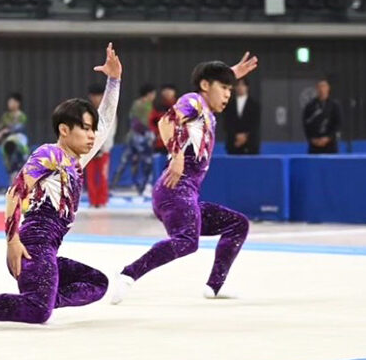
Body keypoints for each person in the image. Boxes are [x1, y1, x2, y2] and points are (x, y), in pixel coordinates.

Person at [0, 45, 122, 330]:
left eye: (92, 129)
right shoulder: (50, 154)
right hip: (31, 247)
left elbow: (107, 118)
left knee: (96, 283)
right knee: (38, 312)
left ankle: (42, 295)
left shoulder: (75, 160)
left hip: (48, 250)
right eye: (85, 128)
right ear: (64, 130)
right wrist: (12, 241)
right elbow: (15, 193)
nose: (92, 135)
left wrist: (114, 80)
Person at [111, 53, 259, 304]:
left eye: (230, 90)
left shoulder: (206, 110)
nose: (227, 95)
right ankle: (128, 274)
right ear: (204, 85)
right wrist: (177, 153)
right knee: (187, 241)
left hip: (185, 193)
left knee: (237, 224)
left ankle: (215, 285)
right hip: (174, 190)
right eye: (223, 88)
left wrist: (229, 74)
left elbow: (213, 82)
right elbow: (166, 122)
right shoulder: (195, 101)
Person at [113, 83, 155, 194]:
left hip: (142, 137)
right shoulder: (140, 104)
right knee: (130, 161)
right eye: (153, 93)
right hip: (137, 138)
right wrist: (146, 132)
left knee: (136, 162)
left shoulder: (149, 105)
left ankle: (140, 186)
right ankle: (115, 184)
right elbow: (136, 121)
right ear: (149, 94)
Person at [84, 82, 114, 207]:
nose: (96, 98)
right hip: (89, 149)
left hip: (104, 149)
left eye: (98, 96)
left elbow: (111, 130)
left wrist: (103, 146)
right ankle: (93, 201)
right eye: (93, 96)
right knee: (90, 177)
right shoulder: (86, 111)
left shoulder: (109, 110)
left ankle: (102, 201)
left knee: (103, 176)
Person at [302, 77, 341, 155]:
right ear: (317, 89)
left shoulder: (334, 105)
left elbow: (338, 124)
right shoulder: (310, 106)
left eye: (324, 86)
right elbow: (306, 124)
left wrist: (328, 138)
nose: (322, 89)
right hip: (314, 146)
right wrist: (312, 139)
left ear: (328, 88)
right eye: (320, 87)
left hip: (330, 146)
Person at [221, 78, 260, 155]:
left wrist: (245, 137)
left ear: (247, 87)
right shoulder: (229, 105)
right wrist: (236, 137)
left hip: (250, 145)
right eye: (238, 85)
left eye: (243, 85)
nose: (240, 87)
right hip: (233, 144)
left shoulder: (254, 105)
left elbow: (255, 124)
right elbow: (227, 123)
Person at [150, 85, 178, 154]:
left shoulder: (179, 105)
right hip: (160, 141)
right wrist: (157, 133)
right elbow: (152, 122)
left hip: (177, 141)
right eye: (166, 91)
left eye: (170, 90)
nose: (168, 93)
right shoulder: (158, 106)